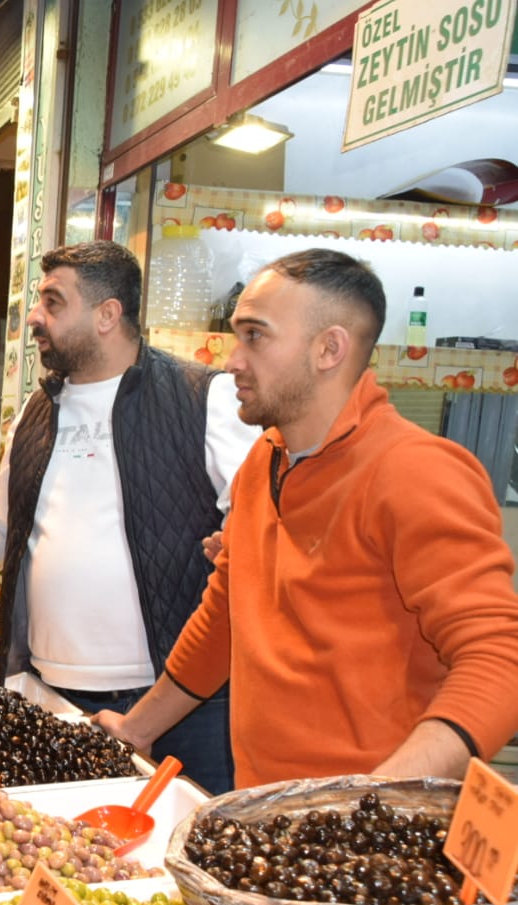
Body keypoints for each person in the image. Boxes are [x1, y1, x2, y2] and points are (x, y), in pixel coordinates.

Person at [0, 242, 257, 794]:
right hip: (51, 696)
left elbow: (257, 530)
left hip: (181, 706)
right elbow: (6, 529)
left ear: (108, 315)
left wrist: (242, 540)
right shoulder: (38, 411)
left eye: (53, 303)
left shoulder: (204, 399)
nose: (34, 317)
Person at [95, 248, 518, 788]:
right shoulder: (262, 462)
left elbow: (497, 659)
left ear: (329, 349)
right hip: (263, 813)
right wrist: (136, 729)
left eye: (255, 335)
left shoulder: (416, 471)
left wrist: (372, 803)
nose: (232, 360)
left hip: (369, 843)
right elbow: (223, 620)